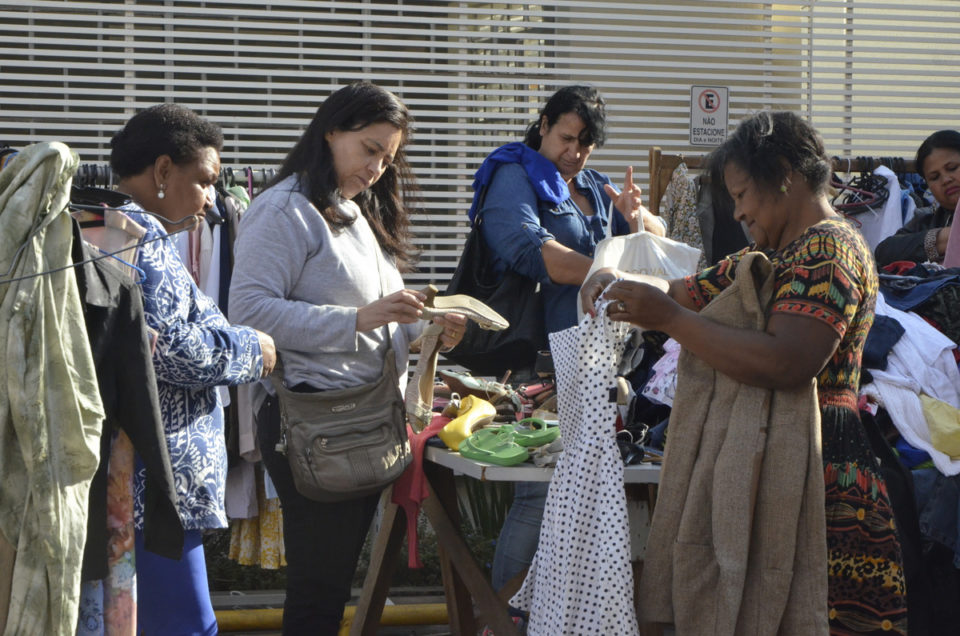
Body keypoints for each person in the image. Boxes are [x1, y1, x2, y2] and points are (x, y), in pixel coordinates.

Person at [583, 110, 908, 634]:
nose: (736, 212)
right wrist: (610, 277)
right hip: (780, 457)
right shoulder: (771, 255)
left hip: (822, 470)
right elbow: (682, 291)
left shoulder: (830, 249)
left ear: (783, 173)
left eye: (741, 195)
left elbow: (786, 362)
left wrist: (669, 320)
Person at [227, 81, 465, 635]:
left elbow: (383, 329)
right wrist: (359, 319)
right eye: (371, 149)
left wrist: (431, 332)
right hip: (314, 420)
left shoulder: (354, 212)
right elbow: (248, 313)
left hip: (359, 418)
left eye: (389, 156)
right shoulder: (283, 209)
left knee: (329, 585)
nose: (379, 167)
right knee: (319, 586)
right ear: (331, 131)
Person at [475, 85, 665, 596]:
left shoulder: (593, 184)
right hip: (542, 368)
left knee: (588, 495)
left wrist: (636, 218)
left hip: (603, 368)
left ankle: (557, 612)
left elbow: (657, 236)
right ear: (543, 125)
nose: (574, 152)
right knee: (539, 496)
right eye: (566, 137)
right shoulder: (513, 173)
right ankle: (504, 618)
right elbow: (524, 246)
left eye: (585, 143)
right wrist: (604, 274)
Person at [108, 103, 277, 635]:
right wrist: (253, 348)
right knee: (184, 624)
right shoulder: (142, 238)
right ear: (162, 171)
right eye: (203, 180)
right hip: (155, 477)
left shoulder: (100, 226)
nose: (210, 199)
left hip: (126, 472)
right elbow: (167, 350)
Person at [875, 129, 960, 266]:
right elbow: (884, 252)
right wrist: (943, 238)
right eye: (934, 177)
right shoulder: (927, 219)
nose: (945, 180)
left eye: (952, 168)